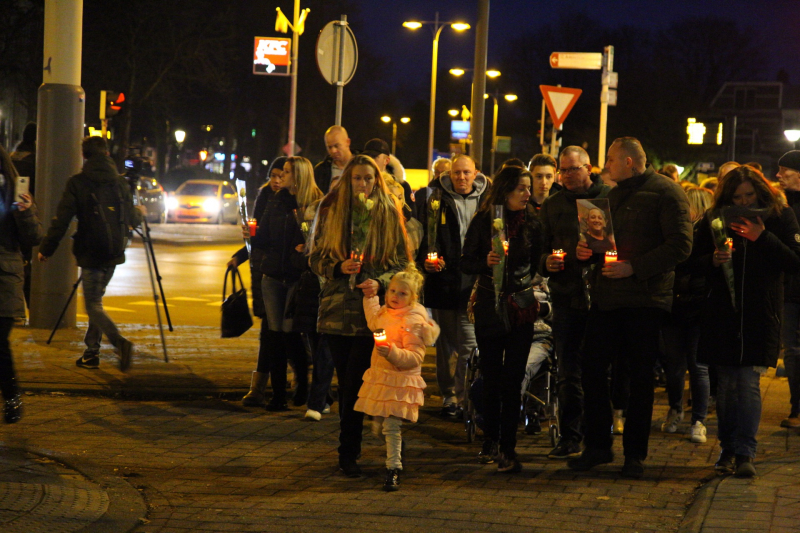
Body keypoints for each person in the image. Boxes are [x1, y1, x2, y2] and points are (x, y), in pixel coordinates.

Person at [568, 137, 692, 479]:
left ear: (629, 162)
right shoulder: (610, 195)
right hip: (607, 298)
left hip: (645, 301)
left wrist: (634, 267)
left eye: (609, 159)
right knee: (591, 368)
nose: (604, 166)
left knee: (639, 378)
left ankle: (634, 454)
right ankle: (598, 445)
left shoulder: (667, 193)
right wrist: (586, 249)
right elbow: (602, 240)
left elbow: (681, 245)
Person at [309, 154, 410, 478]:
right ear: (348, 180)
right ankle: (348, 451)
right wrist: (337, 267)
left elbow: (402, 263)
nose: (363, 184)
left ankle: (356, 449)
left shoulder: (388, 212)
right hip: (338, 312)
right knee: (348, 383)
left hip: (373, 314)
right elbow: (315, 258)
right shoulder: (331, 210)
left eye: (368, 178)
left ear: (376, 180)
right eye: (357, 179)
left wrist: (379, 281)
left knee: (360, 382)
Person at [696, 166, 800, 477]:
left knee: (748, 381)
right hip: (723, 311)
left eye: (749, 196)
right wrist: (712, 260)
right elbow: (690, 261)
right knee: (727, 384)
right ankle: (727, 449)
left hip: (759, 311)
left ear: (760, 192)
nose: (743, 202)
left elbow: (794, 261)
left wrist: (762, 237)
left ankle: (745, 452)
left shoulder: (779, 216)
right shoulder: (714, 219)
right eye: (737, 197)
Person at [461, 165, 543, 473]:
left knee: (514, 378)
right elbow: (465, 262)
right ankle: (490, 438)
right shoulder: (484, 221)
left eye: (528, 188)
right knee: (491, 377)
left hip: (520, 306)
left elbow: (536, 265)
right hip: (489, 306)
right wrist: (486, 261)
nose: (526, 194)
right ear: (505, 191)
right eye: (520, 188)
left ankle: (509, 446)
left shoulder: (533, 223)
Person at [38, 136, 142, 371]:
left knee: (93, 304)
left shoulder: (78, 183)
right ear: (106, 154)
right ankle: (91, 352)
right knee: (97, 301)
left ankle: (119, 343)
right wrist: (140, 212)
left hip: (91, 251)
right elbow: (133, 219)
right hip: (114, 251)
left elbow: (62, 220)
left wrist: (47, 249)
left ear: (84, 156)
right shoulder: (120, 183)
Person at [231, 156, 321, 410]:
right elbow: (266, 237)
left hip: (296, 277)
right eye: (280, 173)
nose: (281, 177)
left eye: (288, 173)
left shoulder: (313, 204)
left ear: (299, 176)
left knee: (291, 334)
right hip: (272, 275)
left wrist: (305, 251)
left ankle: (303, 383)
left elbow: (320, 238)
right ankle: (278, 395)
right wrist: (252, 237)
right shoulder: (275, 200)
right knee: (274, 334)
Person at [539, 146, 611, 459]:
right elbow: (540, 249)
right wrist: (547, 262)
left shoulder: (608, 197)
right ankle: (570, 435)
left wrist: (598, 255)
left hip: (602, 294)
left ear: (589, 168)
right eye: (564, 170)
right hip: (566, 294)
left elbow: (619, 243)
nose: (568, 175)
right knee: (567, 369)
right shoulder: (553, 204)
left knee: (597, 368)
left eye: (574, 169)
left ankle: (599, 434)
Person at [355, 267, 440, 491]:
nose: (394, 296)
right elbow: (374, 322)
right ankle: (393, 450)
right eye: (392, 290)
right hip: (382, 376)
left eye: (402, 293)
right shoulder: (385, 312)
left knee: (391, 426)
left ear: (413, 297)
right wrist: (370, 297)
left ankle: (393, 469)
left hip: (400, 380)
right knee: (384, 422)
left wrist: (392, 353)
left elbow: (415, 357)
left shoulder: (412, 320)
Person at [417, 154, 488, 417]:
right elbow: (424, 235)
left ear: (475, 173)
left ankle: (464, 395)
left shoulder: (486, 200)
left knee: (468, 342)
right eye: (456, 173)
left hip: (474, 281)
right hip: (444, 281)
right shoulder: (435, 198)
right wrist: (426, 259)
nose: (461, 178)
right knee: (446, 344)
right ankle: (449, 396)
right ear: (449, 174)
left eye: (466, 173)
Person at [660, 186, 713, 442]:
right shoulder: (675, 234)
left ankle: (698, 419)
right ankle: (676, 409)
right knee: (675, 365)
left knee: (697, 365)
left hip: (697, 305)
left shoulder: (707, 234)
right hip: (675, 304)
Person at [0, 145, 42, 423]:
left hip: (4, 277)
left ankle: (12, 395)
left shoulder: (14, 190)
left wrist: (25, 211)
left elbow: (33, 237)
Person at [777, 150, 800, 428]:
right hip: (790, 290)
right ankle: (796, 409)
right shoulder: (780, 206)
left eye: (785, 172)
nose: (778, 176)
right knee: (793, 351)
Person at [10, 122, 37, 307]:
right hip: (26, 216)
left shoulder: (11, 157)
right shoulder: (36, 162)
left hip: (8, 217)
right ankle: (29, 308)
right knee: (27, 266)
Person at [314, 125, 354, 193]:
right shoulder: (320, 171)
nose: (333, 151)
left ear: (348, 142)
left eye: (336, 146)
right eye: (329, 147)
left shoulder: (361, 166)